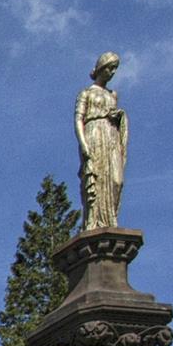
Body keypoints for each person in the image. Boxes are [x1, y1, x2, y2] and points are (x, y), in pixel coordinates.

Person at [75, 51, 127, 231]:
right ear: (101, 68)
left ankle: (110, 219)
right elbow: (78, 119)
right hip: (94, 134)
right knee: (95, 179)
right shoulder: (86, 93)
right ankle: (93, 220)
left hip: (111, 136)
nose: (112, 73)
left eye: (115, 69)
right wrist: (83, 144)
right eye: (110, 68)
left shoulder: (113, 95)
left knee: (116, 180)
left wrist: (118, 117)